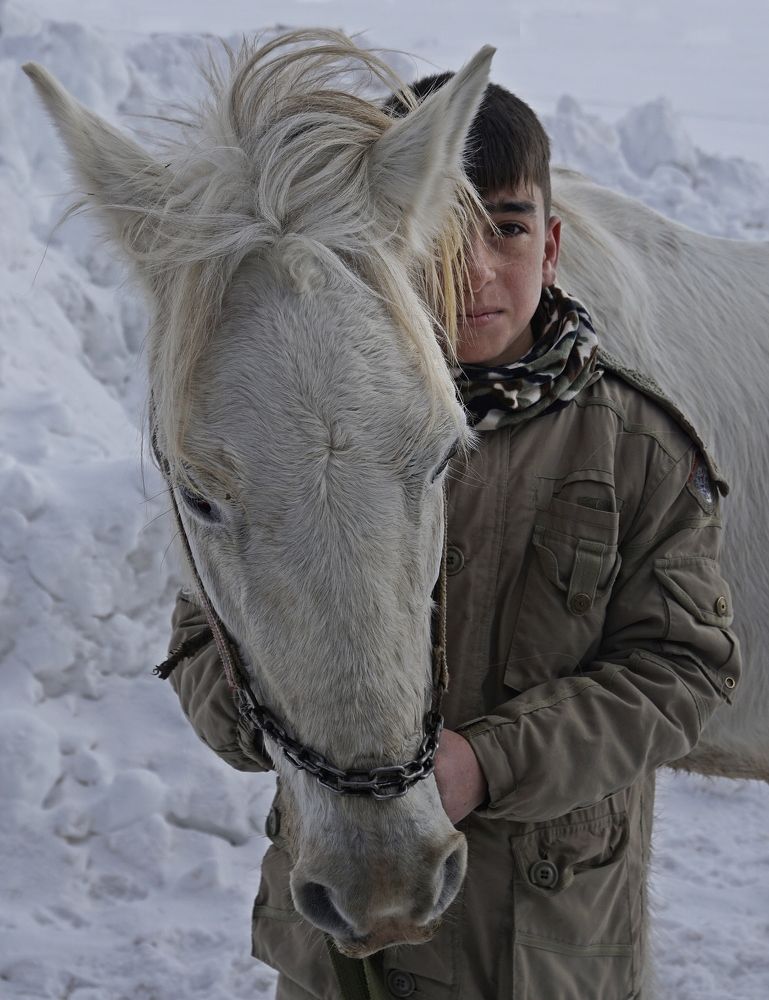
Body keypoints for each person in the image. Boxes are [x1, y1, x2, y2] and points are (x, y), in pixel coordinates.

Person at [163, 74, 741, 1000]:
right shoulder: (318, 432)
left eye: (507, 228)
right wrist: (273, 723)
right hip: (339, 944)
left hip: (541, 954)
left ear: (550, 246)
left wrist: (491, 761)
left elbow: (683, 669)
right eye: (444, 230)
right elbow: (204, 628)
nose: (474, 269)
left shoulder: (634, 445)